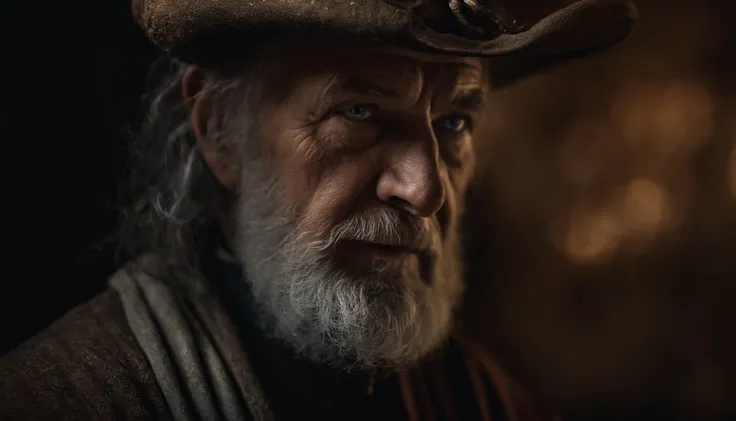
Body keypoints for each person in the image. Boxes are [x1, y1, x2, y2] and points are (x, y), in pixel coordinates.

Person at [0, 0, 638, 420]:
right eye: (359, 112)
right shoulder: (65, 399)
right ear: (220, 128)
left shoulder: (486, 403)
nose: (424, 191)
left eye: (453, 122)